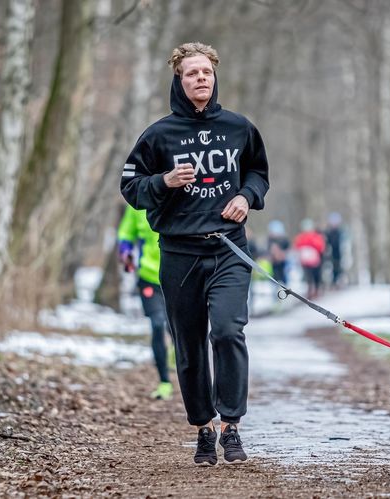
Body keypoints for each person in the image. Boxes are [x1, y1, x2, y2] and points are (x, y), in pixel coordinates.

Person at [120, 42, 269, 466]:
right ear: (179, 81)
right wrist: (164, 180)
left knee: (226, 332)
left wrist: (246, 195)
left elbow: (258, 172)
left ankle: (232, 426)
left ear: (215, 76)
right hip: (179, 256)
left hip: (228, 251)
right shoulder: (157, 135)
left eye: (206, 72)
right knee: (187, 345)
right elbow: (131, 188)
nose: (200, 78)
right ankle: (203, 428)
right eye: (191, 73)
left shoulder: (240, 128)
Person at [117, 205, 173, 401]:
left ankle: (187, 374)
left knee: (178, 330)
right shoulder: (137, 204)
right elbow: (125, 233)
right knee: (158, 323)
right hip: (149, 277)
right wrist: (125, 253)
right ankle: (164, 382)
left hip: (179, 277)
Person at [294, 218, 326, 300]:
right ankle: (310, 290)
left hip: (315, 260)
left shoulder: (316, 236)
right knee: (308, 276)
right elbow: (297, 246)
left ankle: (316, 290)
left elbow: (321, 247)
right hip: (306, 261)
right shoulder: (301, 237)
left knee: (316, 275)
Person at [324, 212, 344, 288]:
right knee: (329, 268)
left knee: (337, 268)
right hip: (330, 253)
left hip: (338, 253)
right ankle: (331, 282)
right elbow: (327, 242)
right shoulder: (328, 232)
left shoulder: (340, 231)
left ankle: (336, 282)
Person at [267, 220, 290, 284]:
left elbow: (287, 248)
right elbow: (269, 249)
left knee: (283, 275)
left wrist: (281, 254)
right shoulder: (270, 240)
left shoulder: (284, 240)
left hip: (282, 261)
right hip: (274, 261)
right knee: (275, 275)